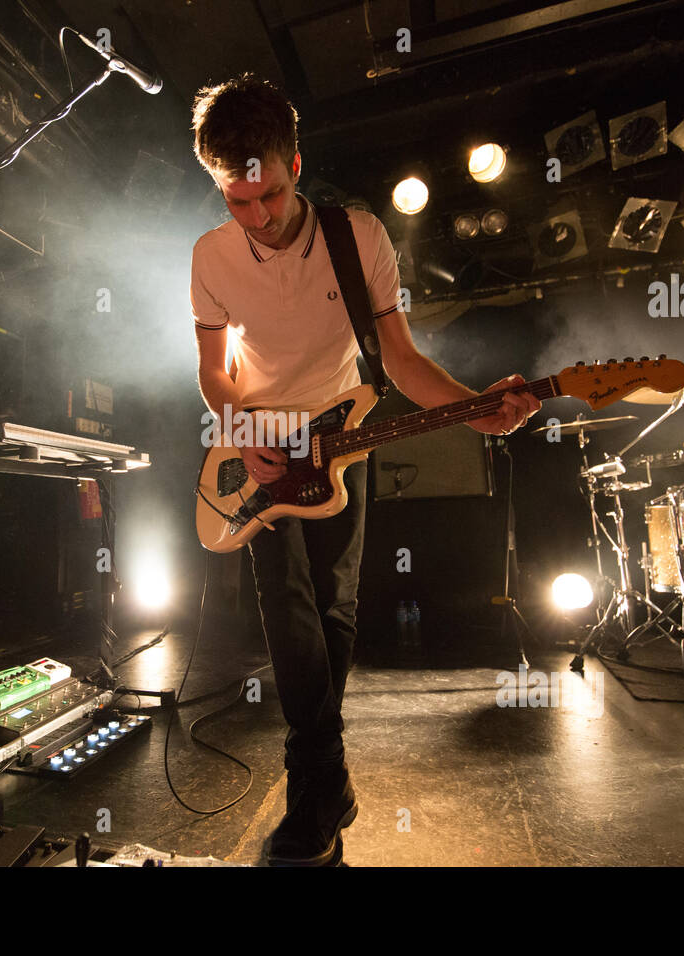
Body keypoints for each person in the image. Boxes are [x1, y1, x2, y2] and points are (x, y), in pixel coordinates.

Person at [188, 75, 540, 866]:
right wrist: (240, 427)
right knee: (286, 605)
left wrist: (477, 408)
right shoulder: (210, 257)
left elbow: (404, 361)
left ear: (295, 165)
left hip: (343, 435)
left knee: (335, 606)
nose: (257, 218)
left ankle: (318, 781)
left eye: (269, 195)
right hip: (260, 443)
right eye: (235, 201)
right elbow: (213, 373)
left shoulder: (360, 237)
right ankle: (321, 780)